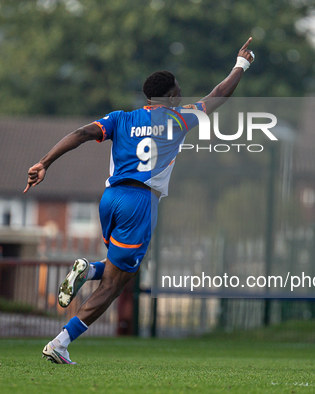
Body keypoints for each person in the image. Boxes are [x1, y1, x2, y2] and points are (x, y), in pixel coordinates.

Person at [24, 38, 255, 364]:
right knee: (114, 286)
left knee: (121, 271)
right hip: (140, 203)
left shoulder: (120, 118)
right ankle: (61, 342)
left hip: (110, 199)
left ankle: (89, 269)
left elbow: (81, 134)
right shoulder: (181, 118)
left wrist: (44, 162)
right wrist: (241, 64)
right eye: (179, 91)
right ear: (171, 96)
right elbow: (219, 94)